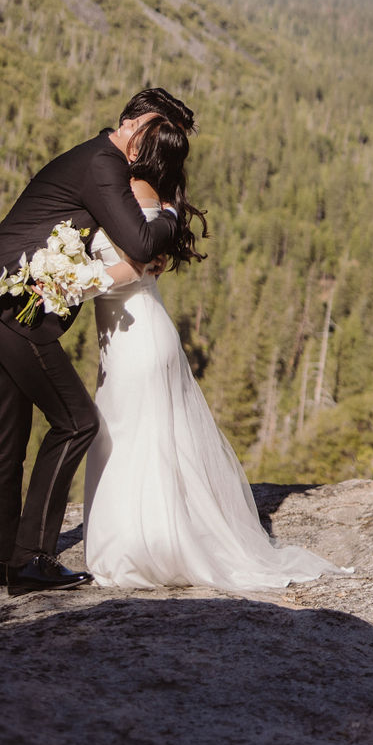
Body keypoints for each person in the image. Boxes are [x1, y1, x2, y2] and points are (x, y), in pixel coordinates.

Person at [84, 115, 344, 590]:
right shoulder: (151, 200)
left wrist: (73, 283)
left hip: (138, 332)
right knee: (132, 430)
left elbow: (137, 266)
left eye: (137, 138)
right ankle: (140, 541)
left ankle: (142, 549)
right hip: (130, 330)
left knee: (132, 434)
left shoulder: (138, 193)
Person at [0, 87, 193, 596]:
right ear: (131, 124)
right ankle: (31, 560)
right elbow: (141, 242)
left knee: (6, 437)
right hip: (12, 304)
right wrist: (172, 213)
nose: (147, 149)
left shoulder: (93, 158)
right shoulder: (102, 163)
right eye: (152, 134)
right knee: (77, 422)